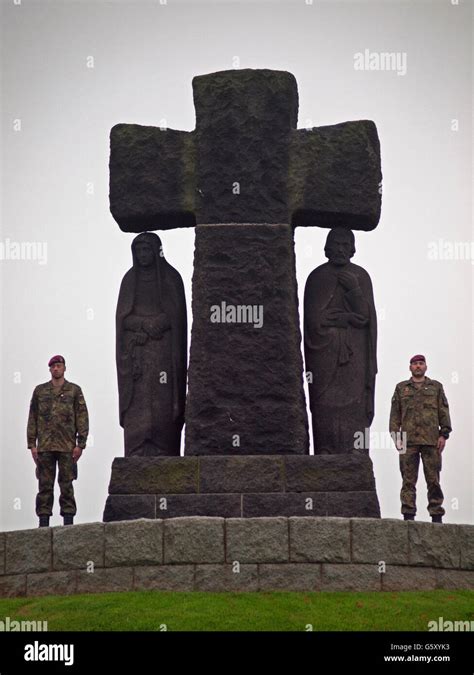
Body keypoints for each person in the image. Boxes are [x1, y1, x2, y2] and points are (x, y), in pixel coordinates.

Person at [304, 227, 377, 454]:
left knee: (354, 402)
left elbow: (366, 318)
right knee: (324, 403)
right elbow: (314, 321)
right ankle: (325, 450)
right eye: (335, 244)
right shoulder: (317, 277)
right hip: (324, 355)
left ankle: (356, 452)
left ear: (353, 249)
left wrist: (353, 290)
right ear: (327, 247)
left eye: (346, 245)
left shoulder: (360, 276)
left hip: (355, 354)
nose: (340, 249)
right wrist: (344, 320)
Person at [116, 232, 187, 456]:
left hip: (163, 350)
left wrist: (161, 322)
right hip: (138, 352)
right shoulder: (130, 280)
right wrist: (143, 325)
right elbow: (122, 318)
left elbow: (177, 316)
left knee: (162, 396)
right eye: (139, 251)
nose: (143, 255)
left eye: (147, 250)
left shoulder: (170, 278)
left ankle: (163, 447)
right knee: (139, 399)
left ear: (157, 251)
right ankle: (138, 447)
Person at [27, 355, 89, 527]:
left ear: (64, 368)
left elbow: (82, 417)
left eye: (59, 365)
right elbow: (32, 418)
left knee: (66, 485)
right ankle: (43, 522)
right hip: (45, 447)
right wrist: (32, 445)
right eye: (53, 366)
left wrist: (80, 444)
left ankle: (68, 522)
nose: (56, 368)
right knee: (44, 486)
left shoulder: (74, 390)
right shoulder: (40, 391)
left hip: (67, 447)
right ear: (49, 369)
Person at [389, 354, 452, 523]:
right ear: (410, 367)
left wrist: (443, 434)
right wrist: (396, 437)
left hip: (431, 441)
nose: (418, 366)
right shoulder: (401, 388)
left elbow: (443, 411)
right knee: (408, 480)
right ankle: (408, 515)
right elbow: (395, 415)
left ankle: (436, 514)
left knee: (433, 479)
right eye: (415, 364)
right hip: (407, 442)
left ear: (425, 367)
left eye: (421, 363)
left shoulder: (436, 387)